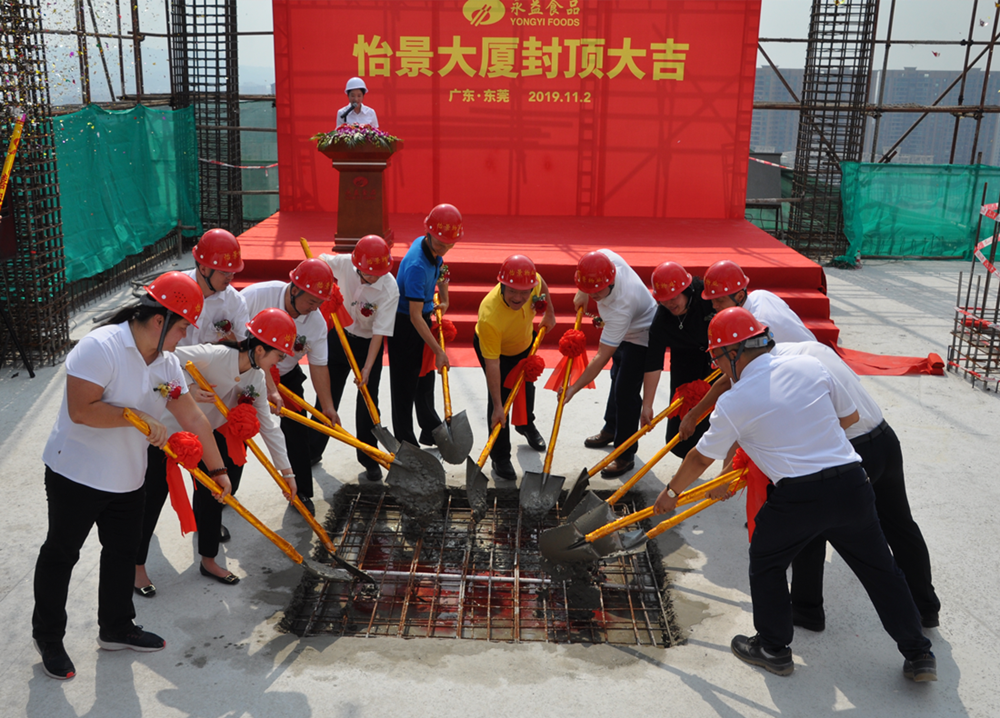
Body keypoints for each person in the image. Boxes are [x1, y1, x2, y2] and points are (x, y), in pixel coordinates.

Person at [653, 307, 936, 682]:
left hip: (798, 496)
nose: (717, 367)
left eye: (716, 358)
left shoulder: (735, 401)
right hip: (852, 485)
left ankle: (773, 648)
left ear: (733, 354)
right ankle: (919, 654)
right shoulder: (809, 366)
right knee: (882, 571)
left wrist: (671, 492)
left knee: (766, 562)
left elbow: (699, 457)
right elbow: (849, 419)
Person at [32, 271, 232, 680]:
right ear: (159, 320)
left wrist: (217, 469)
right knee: (62, 553)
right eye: (181, 328)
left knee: (123, 553)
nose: (184, 337)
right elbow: (81, 410)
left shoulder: (167, 363)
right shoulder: (100, 347)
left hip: (128, 477)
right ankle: (48, 636)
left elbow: (194, 417)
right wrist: (135, 416)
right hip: (76, 473)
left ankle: (116, 627)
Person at [772, 341, 942, 632]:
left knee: (811, 527)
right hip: (884, 439)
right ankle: (926, 607)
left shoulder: (780, 372)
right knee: (901, 525)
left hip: (851, 452)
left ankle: (806, 609)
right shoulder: (812, 348)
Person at [135, 308, 299, 593]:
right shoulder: (213, 354)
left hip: (206, 436)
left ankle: (209, 560)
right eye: (279, 355)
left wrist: (287, 473)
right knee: (152, 500)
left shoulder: (256, 379)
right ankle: (136, 567)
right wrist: (187, 387)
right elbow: (166, 362)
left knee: (214, 494)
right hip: (167, 433)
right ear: (260, 350)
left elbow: (269, 427)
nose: (280, 362)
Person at [241, 259, 339, 513]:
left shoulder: (315, 321)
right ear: (294, 289)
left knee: (297, 429)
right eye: (311, 301)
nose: (314, 308)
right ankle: (224, 488)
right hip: (246, 372)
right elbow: (233, 340)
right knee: (238, 427)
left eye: (319, 303)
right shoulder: (256, 296)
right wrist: (265, 382)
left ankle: (301, 492)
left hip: (286, 375)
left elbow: (319, 365)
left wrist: (327, 406)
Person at [310, 235, 400, 480]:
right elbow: (318, 262)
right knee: (327, 395)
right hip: (339, 336)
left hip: (368, 345)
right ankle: (312, 450)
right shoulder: (345, 263)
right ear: (357, 265)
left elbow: (380, 332)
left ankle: (369, 456)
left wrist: (368, 368)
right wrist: (325, 285)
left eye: (376, 275)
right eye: (366, 273)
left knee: (368, 401)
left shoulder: (389, 288)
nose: (370, 278)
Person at [563, 250, 657, 477]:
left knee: (626, 392)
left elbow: (601, 357)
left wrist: (573, 388)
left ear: (612, 280)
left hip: (642, 334)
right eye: (590, 289)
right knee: (616, 376)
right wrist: (583, 292)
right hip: (622, 329)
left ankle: (625, 454)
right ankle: (611, 428)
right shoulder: (606, 259)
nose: (594, 295)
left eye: (597, 290)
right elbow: (589, 263)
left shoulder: (621, 306)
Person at [473, 254, 557, 480]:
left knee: (527, 388)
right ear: (502, 285)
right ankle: (500, 457)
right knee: (500, 399)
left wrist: (549, 312)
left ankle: (526, 424)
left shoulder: (532, 282)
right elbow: (493, 364)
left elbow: (541, 281)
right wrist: (498, 406)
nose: (518, 297)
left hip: (524, 342)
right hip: (497, 352)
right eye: (512, 291)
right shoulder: (489, 316)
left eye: (524, 293)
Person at [387, 203, 461, 448]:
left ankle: (430, 429)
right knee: (405, 387)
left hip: (422, 318)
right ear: (429, 233)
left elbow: (441, 266)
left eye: (449, 244)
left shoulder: (428, 245)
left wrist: (445, 297)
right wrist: (439, 351)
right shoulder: (417, 266)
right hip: (405, 326)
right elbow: (415, 316)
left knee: (425, 379)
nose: (444, 249)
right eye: (440, 243)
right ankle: (405, 443)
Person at [641, 261, 715, 458]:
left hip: (717, 357)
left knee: (711, 418)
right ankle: (688, 461)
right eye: (664, 300)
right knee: (680, 428)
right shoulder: (661, 321)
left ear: (686, 289)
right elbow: (653, 362)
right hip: (684, 363)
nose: (670, 304)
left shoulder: (707, 298)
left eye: (674, 297)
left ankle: (703, 460)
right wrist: (647, 405)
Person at [701, 259, 816, 343]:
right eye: (712, 300)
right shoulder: (761, 294)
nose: (714, 306)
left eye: (720, 300)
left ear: (740, 296)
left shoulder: (757, 325)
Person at [179, 228, 250, 347]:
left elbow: (244, 346)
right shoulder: (174, 289)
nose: (231, 277)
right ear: (203, 269)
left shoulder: (235, 302)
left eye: (233, 272)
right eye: (225, 272)